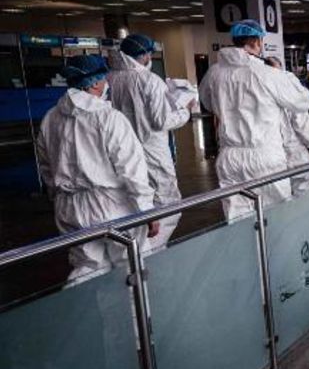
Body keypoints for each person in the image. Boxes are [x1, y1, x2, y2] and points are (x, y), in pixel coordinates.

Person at [36, 55, 157, 280]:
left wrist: (59, 198)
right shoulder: (109, 117)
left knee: (86, 271)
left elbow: (46, 168)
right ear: (93, 83)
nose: (107, 84)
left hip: (70, 206)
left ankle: (85, 314)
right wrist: (148, 211)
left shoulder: (50, 118)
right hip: (112, 206)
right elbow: (132, 170)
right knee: (130, 270)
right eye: (104, 79)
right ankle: (135, 316)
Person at [198, 19, 309, 220]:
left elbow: (207, 103)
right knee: (277, 219)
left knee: (239, 222)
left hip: (229, 158)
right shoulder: (266, 74)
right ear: (256, 41)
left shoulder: (214, 73)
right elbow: (302, 102)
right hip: (265, 156)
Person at [106, 33, 193, 251]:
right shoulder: (150, 81)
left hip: (120, 154)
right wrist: (184, 110)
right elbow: (161, 120)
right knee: (167, 205)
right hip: (152, 151)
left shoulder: (109, 79)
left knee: (132, 205)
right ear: (143, 55)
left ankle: (137, 251)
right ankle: (149, 253)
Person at [264, 57, 309, 196]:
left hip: (269, 151)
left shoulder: (260, 90)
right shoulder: (289, 88)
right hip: (292, 148)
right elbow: (300, 124)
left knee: (277, 193)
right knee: (302, 185)